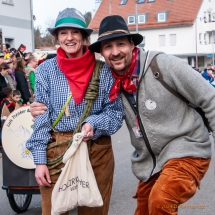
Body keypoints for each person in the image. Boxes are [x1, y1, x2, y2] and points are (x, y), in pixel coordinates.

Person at [31, 15, 215, 215]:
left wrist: (93, 123)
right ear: (101, 51)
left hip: (185, 147)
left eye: (121, 44)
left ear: (132, 44)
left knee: (161, 200)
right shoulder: (114, 76)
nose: (115, 52)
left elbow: (209, 98)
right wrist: (37, 115)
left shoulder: (161, 65)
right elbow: (46, 110)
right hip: (151, 162)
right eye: (108, 47)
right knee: (144, 209)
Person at [26, 8, 124, 215]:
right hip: (56, 150)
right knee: (53, 211)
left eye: (75, 32)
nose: (69, 38)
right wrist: (40, 161)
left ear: (84, 36)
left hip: (96, 150)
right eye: (63, 32)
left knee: (94, 211)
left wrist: (93, 124)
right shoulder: (46, 70)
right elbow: (41, 116)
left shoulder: (104, 69)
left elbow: (115, 113)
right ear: (57, 37)